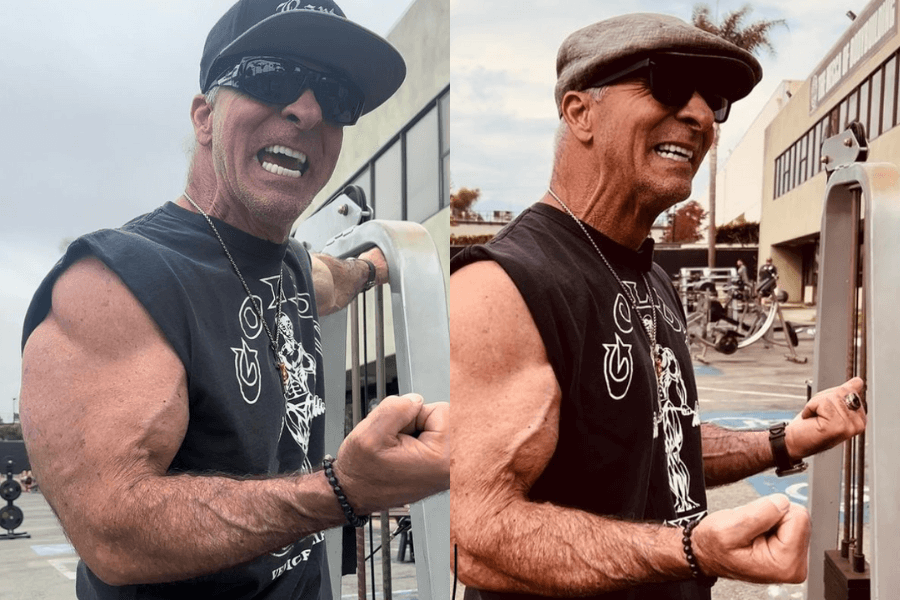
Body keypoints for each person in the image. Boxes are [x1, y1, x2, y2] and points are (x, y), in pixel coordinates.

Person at [19, 1, 448, 598]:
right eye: (271, 76)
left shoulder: (293, 266)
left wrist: (383, 266)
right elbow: (113, 534)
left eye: (334, 95)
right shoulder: (115, 282)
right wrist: (343, 491)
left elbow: (332, 279)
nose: (306, 109)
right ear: (203, 117)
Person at [450, 14, 866, 600]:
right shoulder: (502, 286)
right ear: (579, 112)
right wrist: (691, 551)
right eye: (668, 85)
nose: (698, 115)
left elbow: (665, 442)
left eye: (713, 100)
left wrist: (789, 439)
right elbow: (479, 537)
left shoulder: (651, 276)